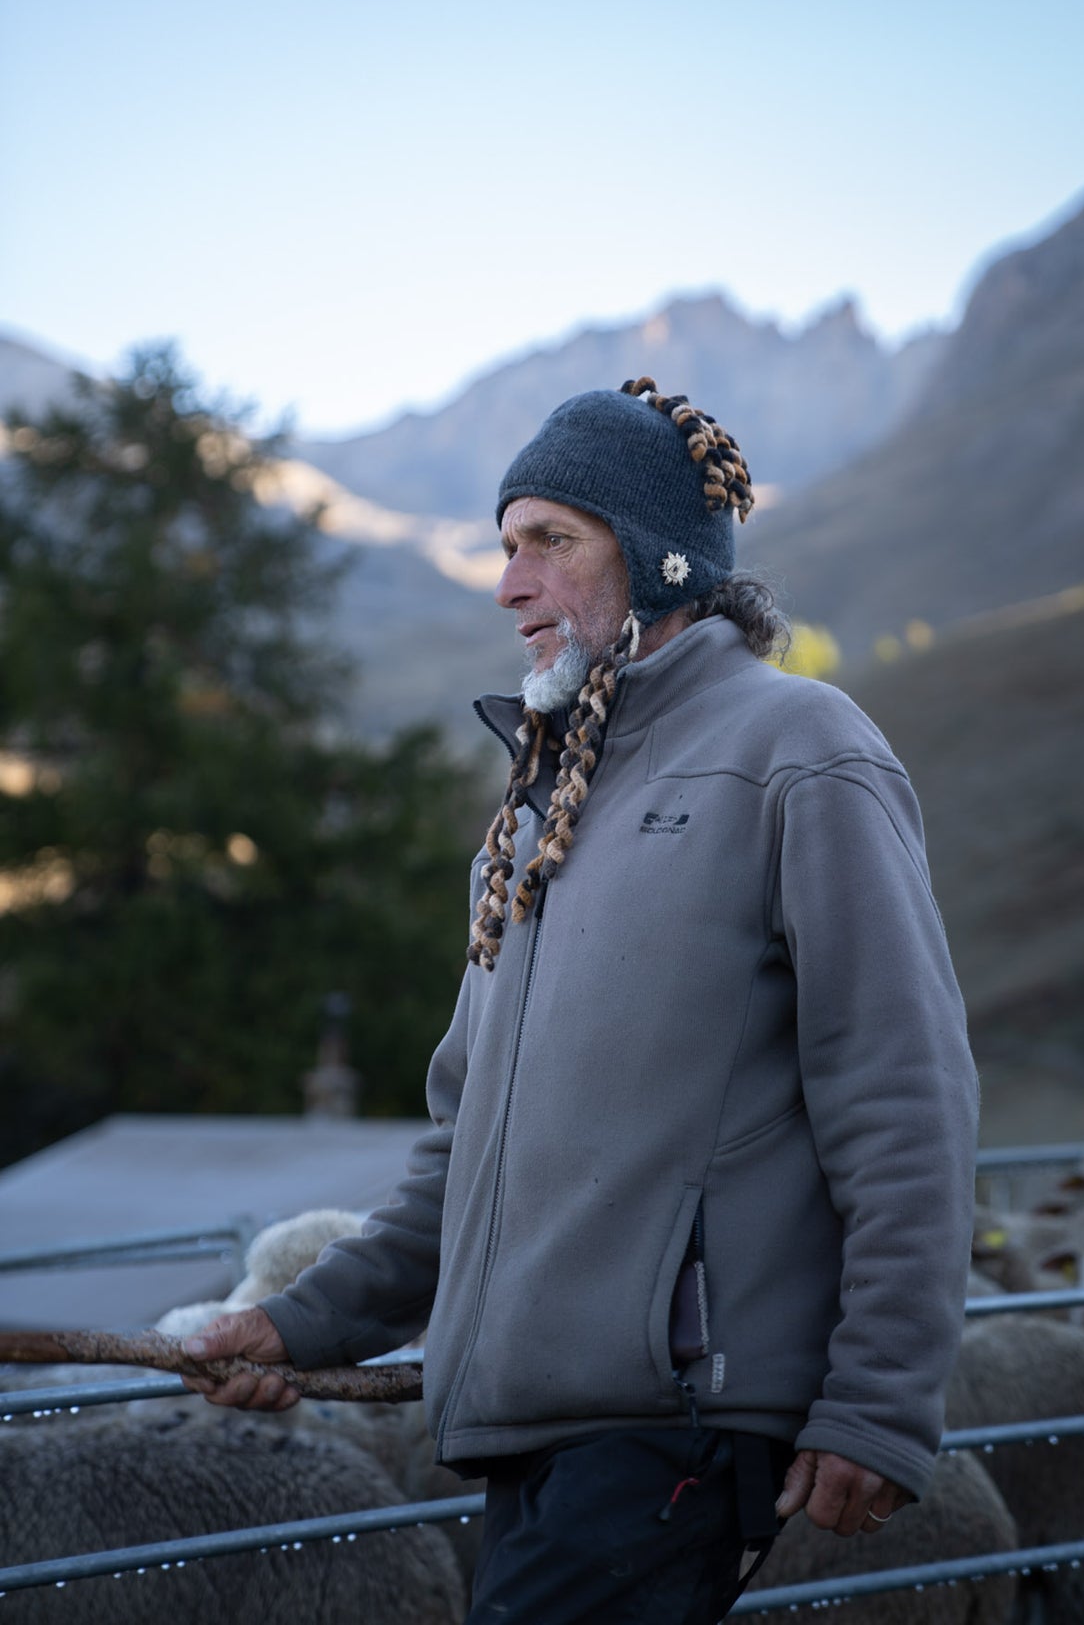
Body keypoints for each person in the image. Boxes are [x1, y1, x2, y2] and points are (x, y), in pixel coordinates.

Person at [184, 378, 980, 1624]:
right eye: (507, 545)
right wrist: (299, 1325)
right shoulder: (531, 822)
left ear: (661, 560)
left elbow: (904, 1094)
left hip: (675, 1421)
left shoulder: (799, 749)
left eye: (550, 540)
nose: (509, 584)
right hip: (524, 1428)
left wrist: (879, 1399)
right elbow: (462, 1155)